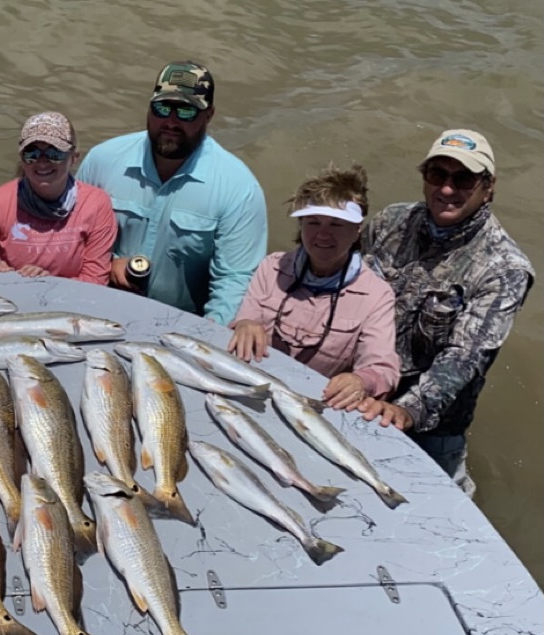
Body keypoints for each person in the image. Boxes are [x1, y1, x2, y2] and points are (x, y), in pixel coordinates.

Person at [358, 129, 535, 497]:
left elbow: (465, 357)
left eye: (464, 179)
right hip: (361, 391)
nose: (447, 189)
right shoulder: (390, 223)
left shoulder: (504, 268)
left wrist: (408, 410)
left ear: (488, 187)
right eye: (437, 175)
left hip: (430, 432)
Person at [77, 61, 267, 325]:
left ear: (209, 115)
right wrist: (107, 265)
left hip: (182, 325)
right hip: (98, 310)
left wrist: (210, 338)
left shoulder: (239, 188)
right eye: (162, 108)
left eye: (186, 112)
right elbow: (71, 236)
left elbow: (234, 280)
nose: (171, 122)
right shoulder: (102, 160)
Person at [228, 164, 399, 410]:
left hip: (313, 405)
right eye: (313, 222)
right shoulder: (271, 267)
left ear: (357, 229)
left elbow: (383, 369)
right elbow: (246, 318)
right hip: (253, 389)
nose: (323, 235)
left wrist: (361, 380)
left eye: (336, 224)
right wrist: (245, 324)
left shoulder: (377, 296)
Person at [0, 111, 115, 284]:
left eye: (55, 154)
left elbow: (95, 280)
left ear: (74, 158)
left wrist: (43, 284)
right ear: (21, 158)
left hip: (72, 303)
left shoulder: (96, 205)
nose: (42, 162)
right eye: (32, 154)